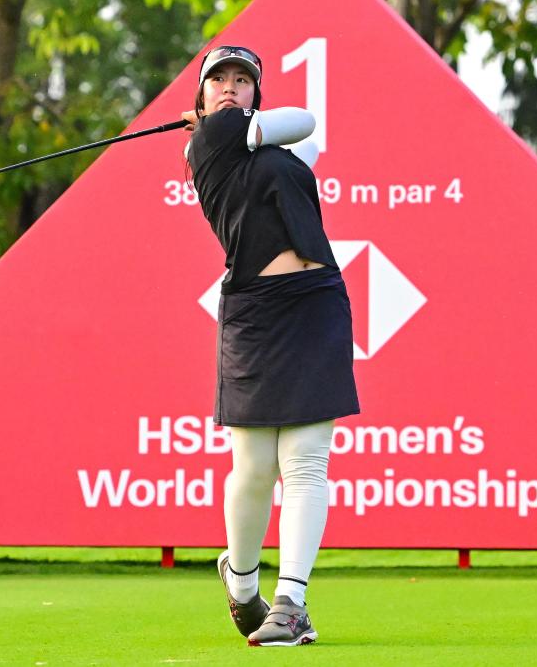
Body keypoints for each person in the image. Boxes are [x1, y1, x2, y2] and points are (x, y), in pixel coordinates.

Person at [181, 45, 359, 646]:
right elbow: (300, 121)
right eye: (218, 81)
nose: (230, 89)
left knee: (306, 462)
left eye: (242, 81)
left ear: (257, 91)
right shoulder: (205, 142)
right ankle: (241, 581)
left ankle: (291, 603)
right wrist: (223, 125)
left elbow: (303, 128)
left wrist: (254, 133)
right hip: (255, 314)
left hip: (315, 302)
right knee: (254, 468)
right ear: (201, 98)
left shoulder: (269, 148)